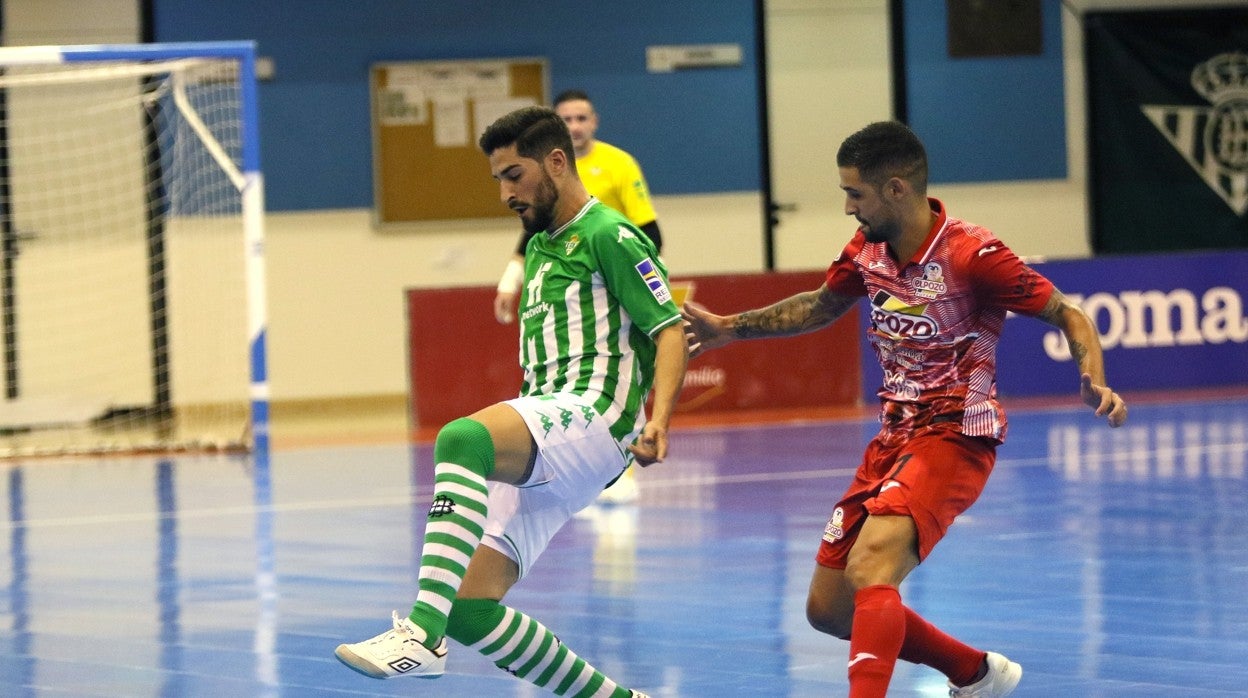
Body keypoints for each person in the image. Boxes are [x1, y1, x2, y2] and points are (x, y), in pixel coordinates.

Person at [681, 121, 1127, 698]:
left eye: (855, 194)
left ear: (896, 188)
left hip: (956, 432)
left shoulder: (972, 254)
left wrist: (1094, 377)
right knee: (829, 608)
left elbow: (1067, 311)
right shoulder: (867, 251)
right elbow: (819, 306)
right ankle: (976, 673)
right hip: (893, 438)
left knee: (872, 566)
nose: (848, 207)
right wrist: (730, 328)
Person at [335, 106, 686, 698]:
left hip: (596, 415)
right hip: (555, 432)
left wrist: (661, 421)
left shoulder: (610, 234)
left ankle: (421, 636)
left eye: (514, 175)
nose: (505, 194)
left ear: (556, 162)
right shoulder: (542, 248)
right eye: (498, 179)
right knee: (469, 607)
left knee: (462, 439)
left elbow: (669, 330)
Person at [495, 90, 663, 506]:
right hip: (567, 279)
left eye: (581, 118)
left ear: (594, 121)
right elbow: (533, 232)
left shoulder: (619, 164)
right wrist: (510, 280)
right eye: (567, 119)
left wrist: (631, 275)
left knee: (616, 368)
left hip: (611, 275)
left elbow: (648, 231)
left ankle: (617, 466)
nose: (575, 125)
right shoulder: (537, 174)